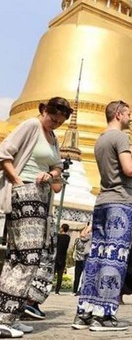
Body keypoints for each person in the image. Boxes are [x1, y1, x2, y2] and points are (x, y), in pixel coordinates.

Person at [71, 101, 132, 332]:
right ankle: (104, 315)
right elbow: (128, 168)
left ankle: (84, 312)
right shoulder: (119, 137)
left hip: (102, 203)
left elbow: (131, 152)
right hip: (120, 202)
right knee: (114, 257)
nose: (130, 117)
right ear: (118, 114)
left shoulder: (102, 139)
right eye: (128, 114)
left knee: (96, 256)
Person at [0, 96, 72, 338]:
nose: (55, 124)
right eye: (53, 119)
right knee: (25, 257)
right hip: (24, 194)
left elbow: (58, 169)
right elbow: (4, 153)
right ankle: (3, 316)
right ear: (44, 111)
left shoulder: (53, 138)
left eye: (60, 122)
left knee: (30, 258)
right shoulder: (31, 126)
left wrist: (51, 173)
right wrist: (19, 182)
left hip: (42, 200)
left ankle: (14, 313)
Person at [72, 223, 92, 295]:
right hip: (83, 257)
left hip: (82, 258)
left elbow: (82, 235)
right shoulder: (88, 238)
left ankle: (78, 290)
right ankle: (80, 289)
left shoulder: (89, 236)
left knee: (81, 275)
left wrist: (87, 227)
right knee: (84, 274)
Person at [54, 223, 71, 294]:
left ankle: (48, 287)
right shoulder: (68, 237)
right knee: (60, 275)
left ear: (62, 228)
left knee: (52, 273)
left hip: (56, 256)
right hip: (63, 257)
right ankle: (57, 290)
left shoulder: (58, 236)